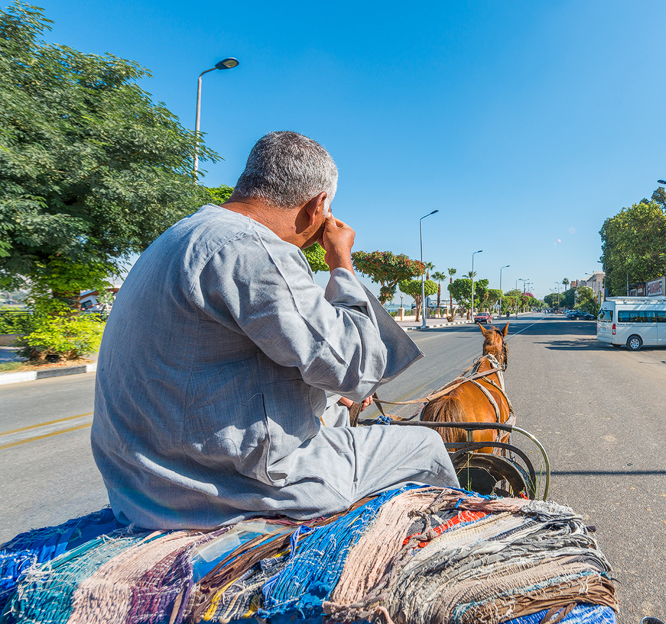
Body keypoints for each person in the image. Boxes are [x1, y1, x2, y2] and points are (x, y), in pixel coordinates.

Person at [91, 131, 459, 530]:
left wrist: (334, 399)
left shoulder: (186, 233)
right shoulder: (254, 248)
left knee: (336, 410)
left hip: (140, 487)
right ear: (319, 206)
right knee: (425, 445)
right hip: (225, 489)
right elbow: (356, 367)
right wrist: (340, 262)